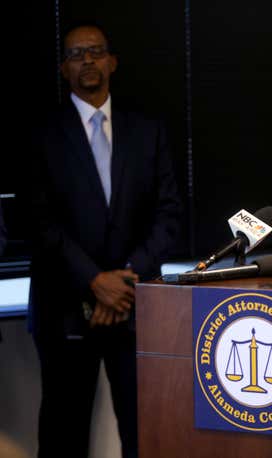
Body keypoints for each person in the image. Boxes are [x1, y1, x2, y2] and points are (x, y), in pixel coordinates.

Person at [27, 23, 182, 458]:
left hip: (134, 307)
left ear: (112, 61)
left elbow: (169, 214)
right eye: (76, 54)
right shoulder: (41, 135)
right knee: (63, 430)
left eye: (95, 51)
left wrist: (124, 282)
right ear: (63, 68)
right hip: (62, 308)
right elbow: (39, 223)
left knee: (144, 428)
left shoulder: (147, 130)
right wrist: (96, 281)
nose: (87, 60)